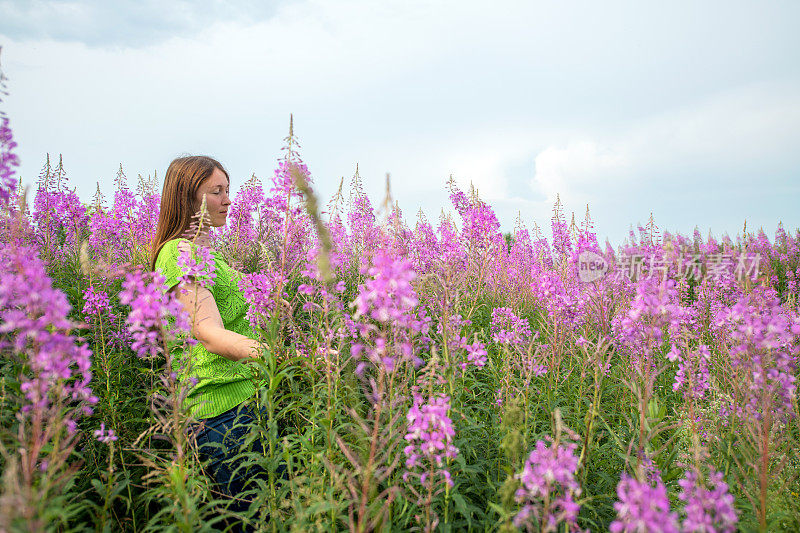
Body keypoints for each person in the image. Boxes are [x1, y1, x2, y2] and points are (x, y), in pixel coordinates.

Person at [149, 155, 273, 518]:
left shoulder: (208, 255)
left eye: (228, 190)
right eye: (216, 191)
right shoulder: (178, 253)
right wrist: (284, 356)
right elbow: (209, 335)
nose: (228, 200)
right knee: (254, 520)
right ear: (188, 198)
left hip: (244, 404)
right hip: (220, 415)